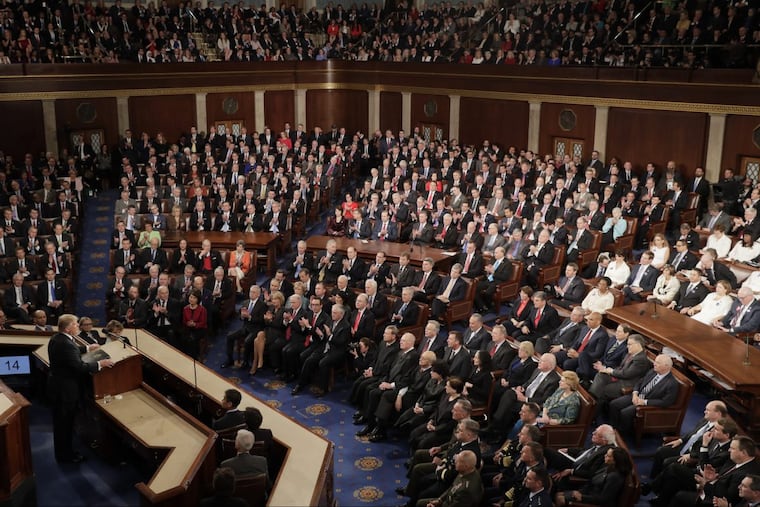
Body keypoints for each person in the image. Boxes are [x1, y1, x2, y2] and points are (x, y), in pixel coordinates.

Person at [47, 314, 114, 463]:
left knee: (62, 424)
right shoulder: (65, 344)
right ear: (68, 327)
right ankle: (66, 456)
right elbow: (78, 367)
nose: (78, 326)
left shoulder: (57, 338)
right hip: (65, 392)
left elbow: (72, 351)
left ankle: (64, 453)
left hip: (58, 388)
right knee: (64, 425)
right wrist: (100, 364)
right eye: (76, 324)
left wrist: (88, 347)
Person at [555, 447, 631, 507]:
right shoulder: (607, 466)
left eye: (608, 456)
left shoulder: (615, 477)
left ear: (615, 460)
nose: (605, 456)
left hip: (593, 500)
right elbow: (592, 480)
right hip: (588, 493)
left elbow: (604, 500)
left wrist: (582, 497)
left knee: (560, 498)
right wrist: (581, 491)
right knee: (558, 494)